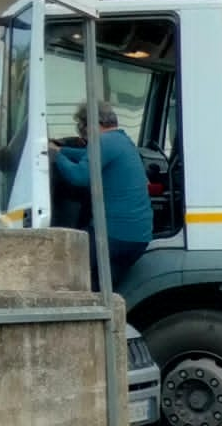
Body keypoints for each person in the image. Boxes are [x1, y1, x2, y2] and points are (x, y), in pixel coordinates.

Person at [50, 101, 153, 293]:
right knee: (99, 288)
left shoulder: (103, 142)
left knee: (65, 263)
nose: (84, 137)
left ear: (91, 125)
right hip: (138, 237)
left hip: (114, 235)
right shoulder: (122, 140)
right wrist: (63, 150)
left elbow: (78, 176)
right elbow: (88, 154)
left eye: (83, 130)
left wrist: (57, 157)